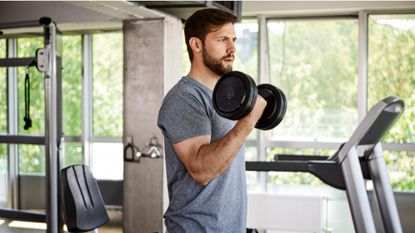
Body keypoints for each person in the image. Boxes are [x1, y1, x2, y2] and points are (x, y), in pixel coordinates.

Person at [157, 8, 267, 233]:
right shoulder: (185, 98)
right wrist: (248, 122)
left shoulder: (224, 99)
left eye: (233, 40)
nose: (232, 48)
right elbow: (201, 171)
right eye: (222, 40)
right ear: (196, 45)